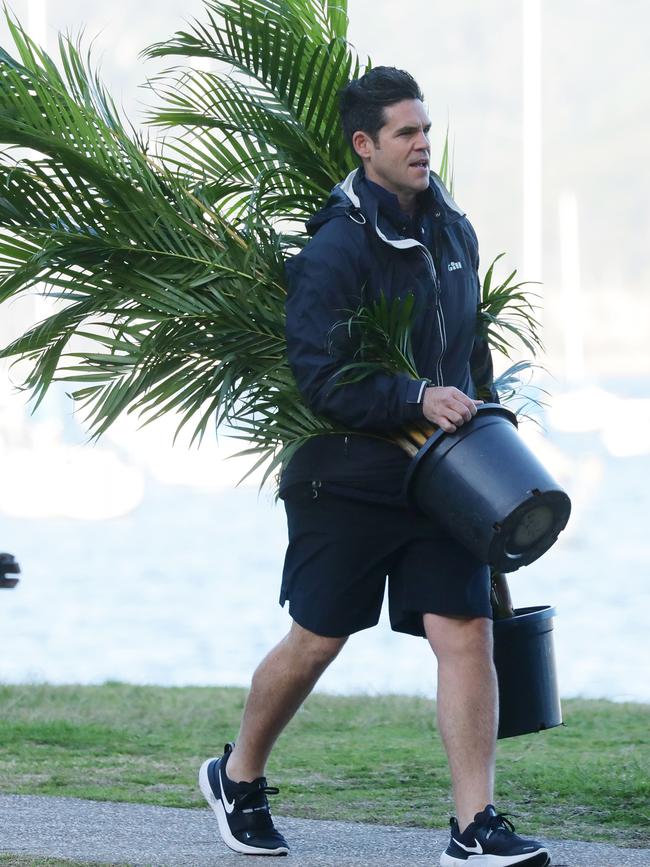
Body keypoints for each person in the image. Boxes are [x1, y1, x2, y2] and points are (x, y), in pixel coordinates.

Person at [199, 67, 551, 867]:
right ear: (366, 146)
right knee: (317, 641)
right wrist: (415, 396)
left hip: (446, 478)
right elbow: (320, 377)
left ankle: (474, 826)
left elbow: (470, 341)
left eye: (426, 129)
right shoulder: (335, 247)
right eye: (405, 132)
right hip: (346, 478)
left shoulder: (450, 227)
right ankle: (238, 775)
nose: (423, 143)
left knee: (466, 631)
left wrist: (491, 429)